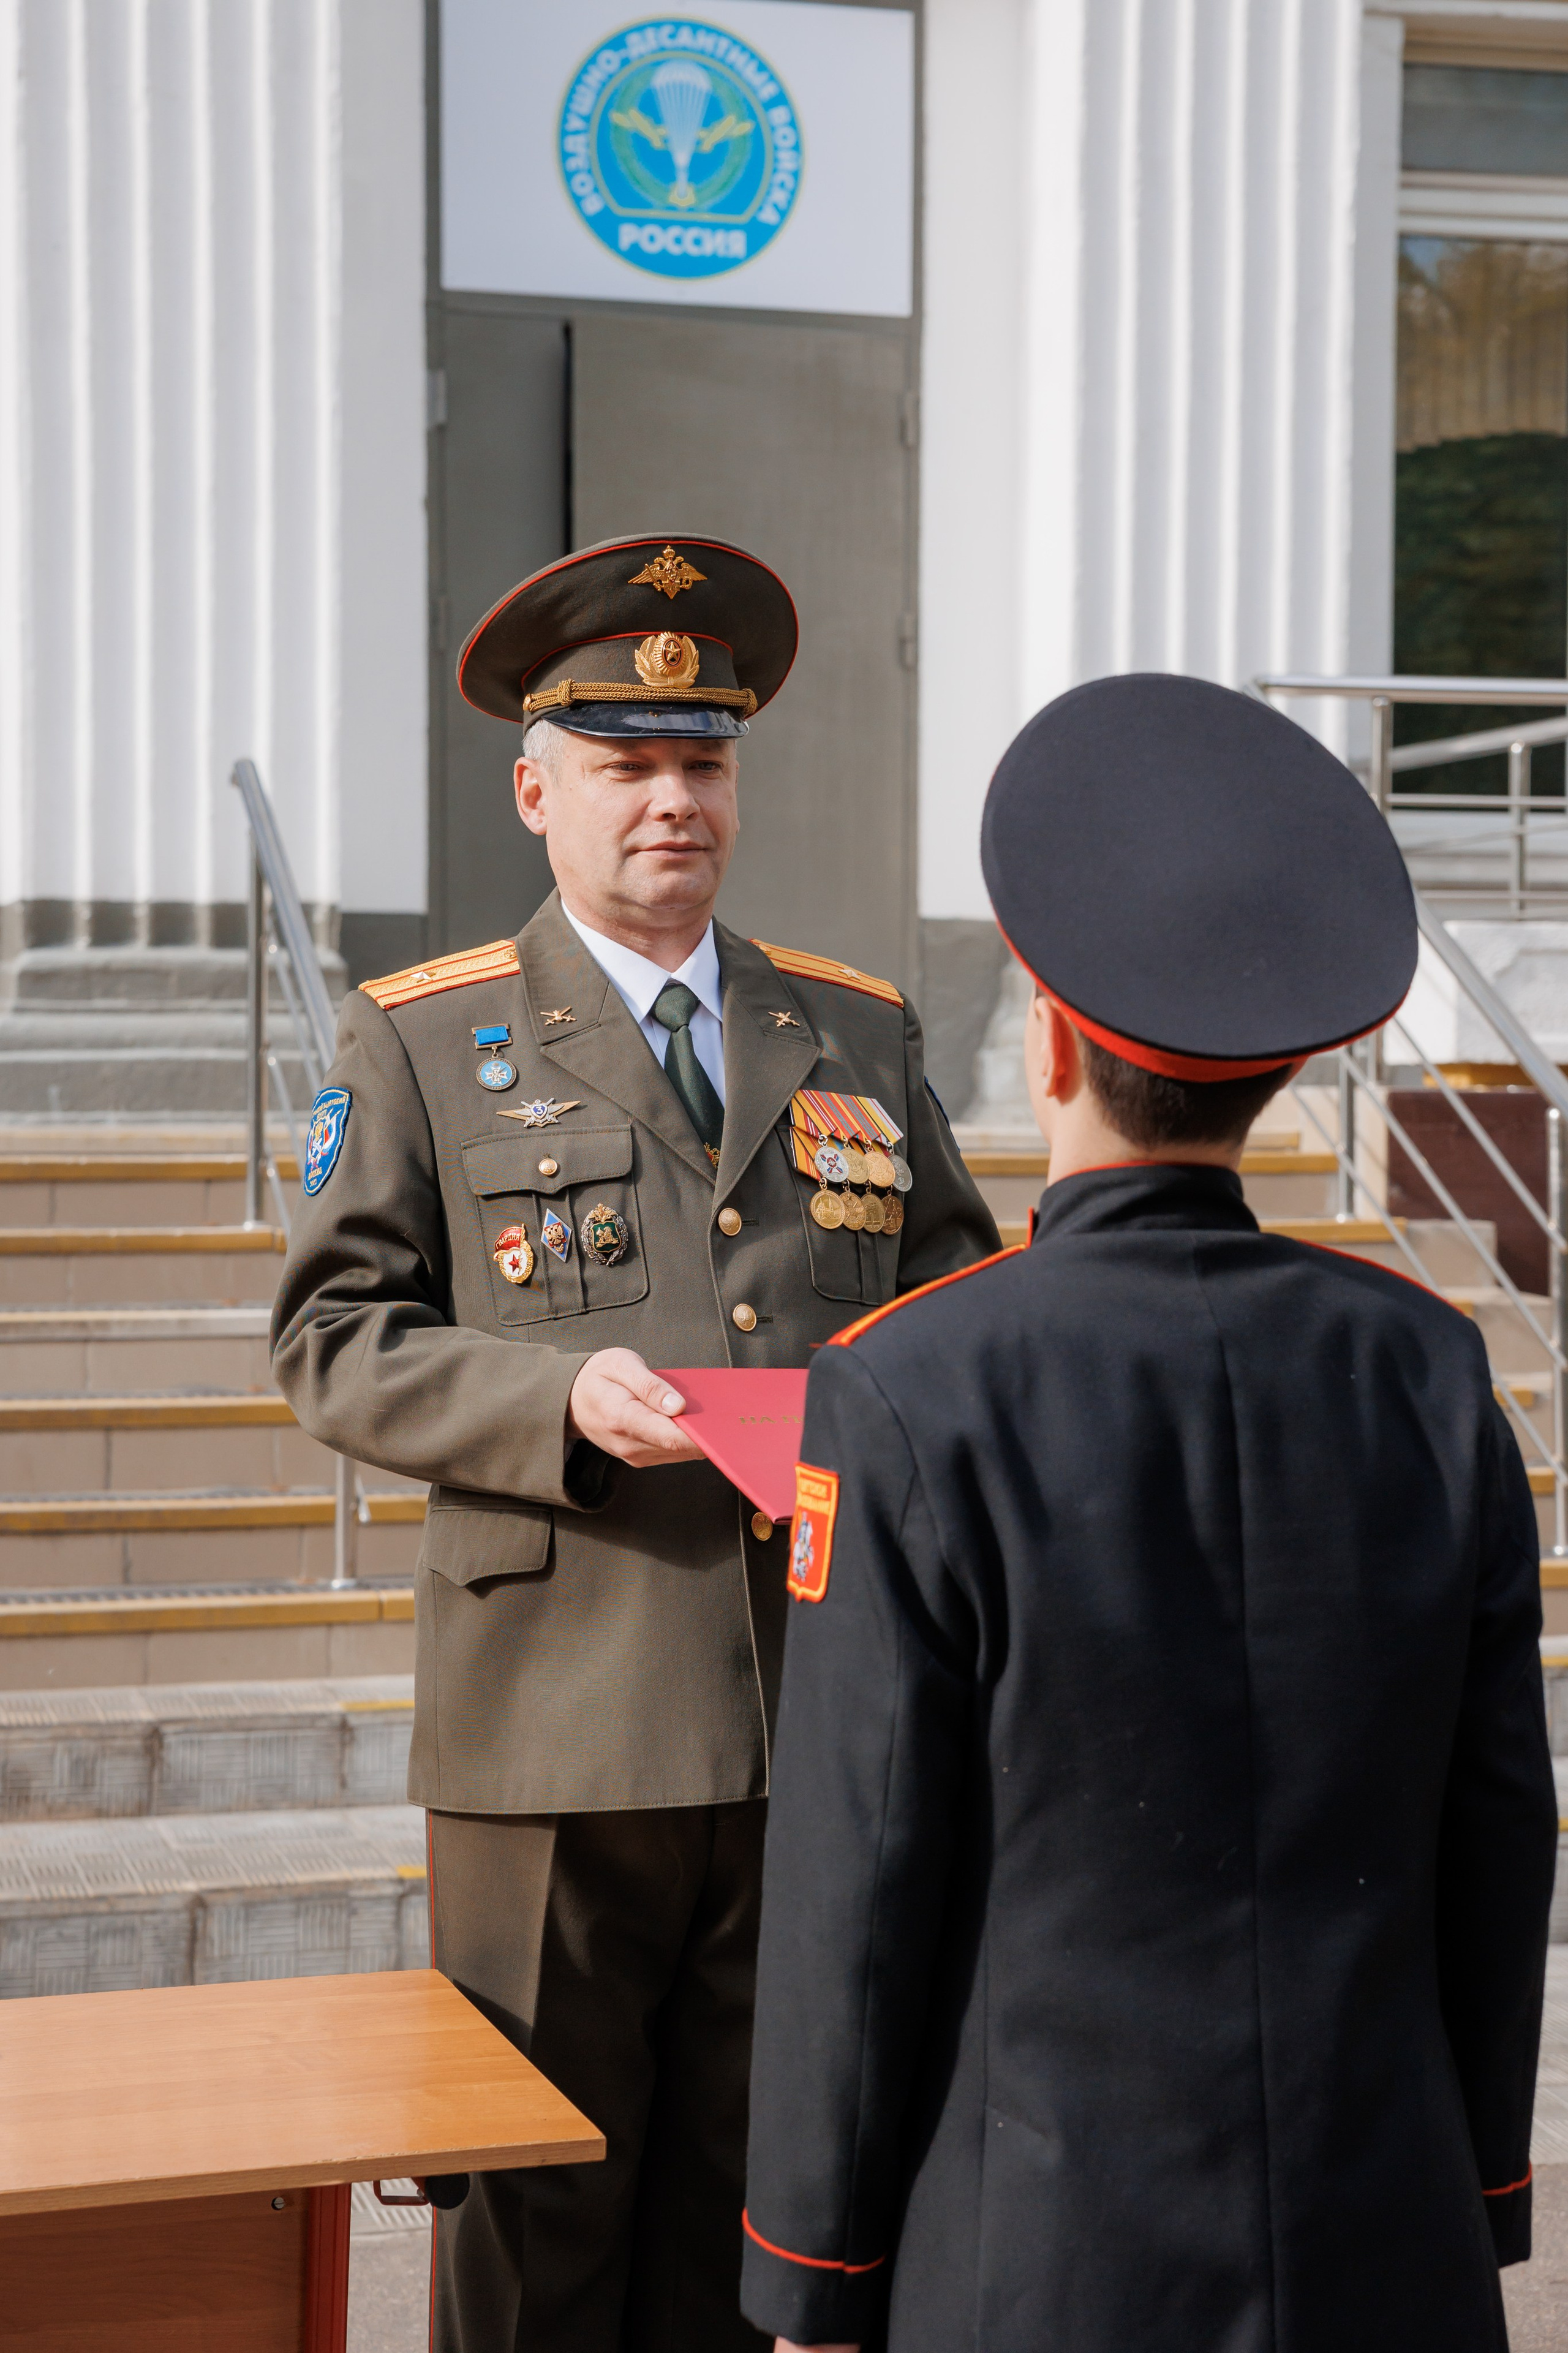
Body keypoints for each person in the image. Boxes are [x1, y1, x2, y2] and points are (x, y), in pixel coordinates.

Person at [740, 673, 1559, 2353]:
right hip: (1382, 2236)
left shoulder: (915, 1384)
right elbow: (1499, 1822)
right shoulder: (1424, 1363)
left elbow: (863, 1878)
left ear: (1045, 1030)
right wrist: (1478, 2182)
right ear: (1272, 1073)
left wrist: (810, 2271)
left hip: (1041, 2258)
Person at [270, 532, 998, 2353]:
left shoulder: (853, 1026)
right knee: (537, 2215)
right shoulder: (425, 1040)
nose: (674, 798)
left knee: (753, 2204)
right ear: (538, 791)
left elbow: (958, 1304)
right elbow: (333, 1338)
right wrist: (554, 1401)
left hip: (813, 1696)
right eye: (626, 764)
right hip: (558, 1716)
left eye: (705, 761)